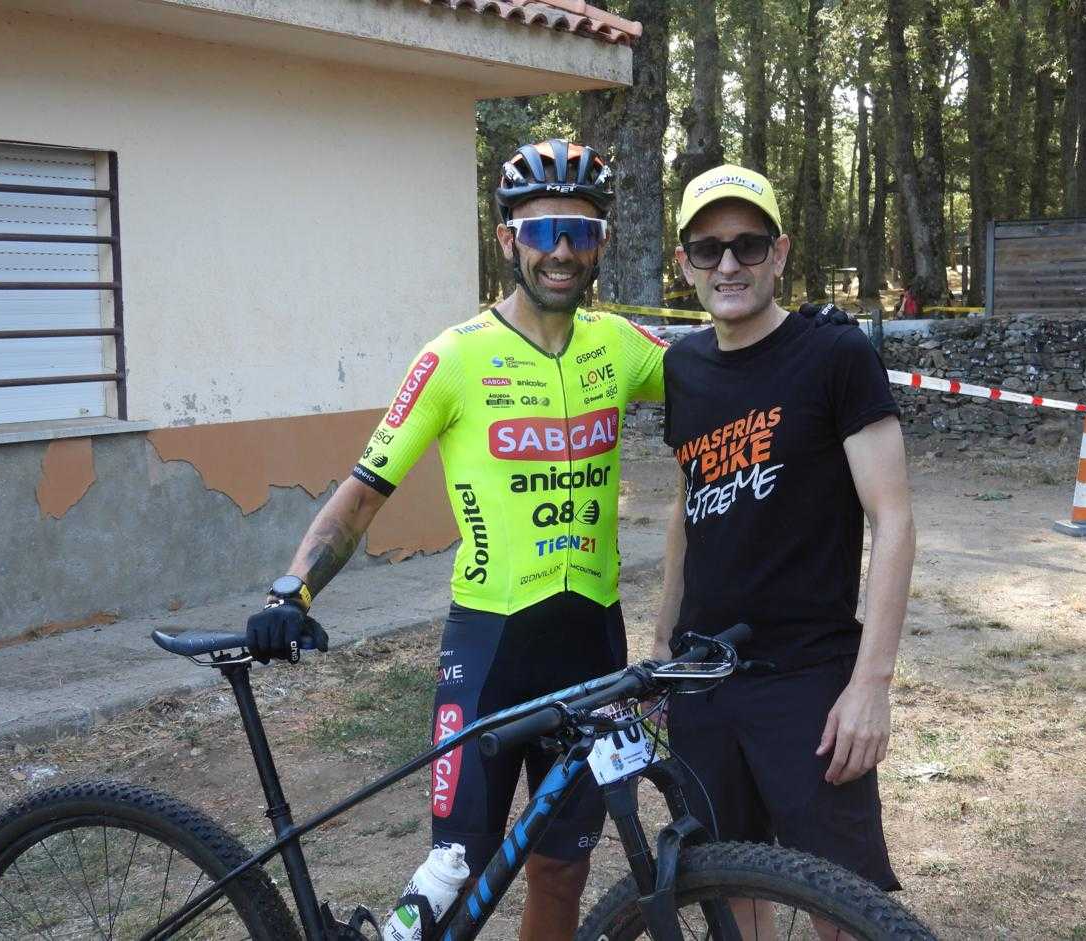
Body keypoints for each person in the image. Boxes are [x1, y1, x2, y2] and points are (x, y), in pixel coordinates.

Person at [244, 140, 671, 941]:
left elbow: (722, 370)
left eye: (579, 231)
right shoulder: (454, 356)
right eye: (540, 231)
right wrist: (290, 590)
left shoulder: (617, 345)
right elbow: (360, 494)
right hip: (491, 646)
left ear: (601, 243)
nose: (560, 250)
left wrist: (797, 339)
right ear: (507, 239)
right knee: (455, 873)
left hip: (593, 641)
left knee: (563, 868)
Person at [654, 164, 916, 940]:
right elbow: (687, 506)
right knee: (730, 892)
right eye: (707, 249)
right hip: (701, 677)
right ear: (684, 263)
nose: (727, 265)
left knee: (843, 906)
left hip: (806, 679)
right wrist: (662, 644)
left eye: (747, 244)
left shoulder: (834, 354)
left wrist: (870, 683)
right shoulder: (682, 366)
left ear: (779, 252)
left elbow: (893, 519)